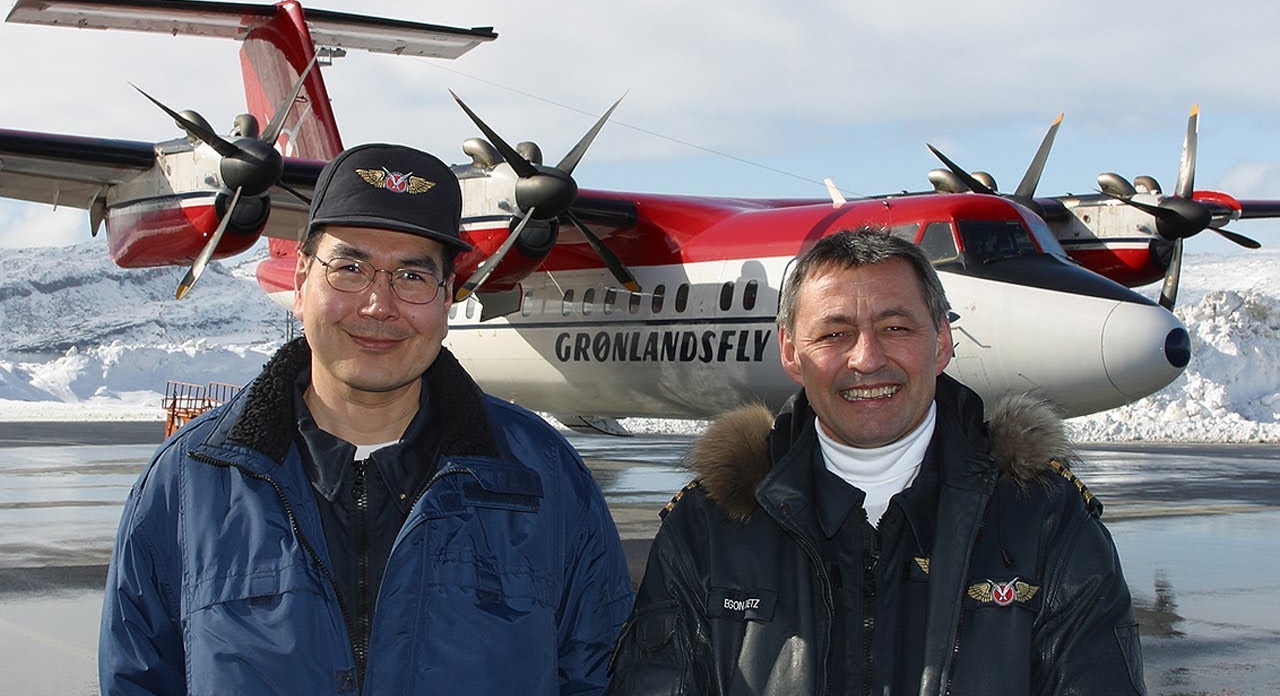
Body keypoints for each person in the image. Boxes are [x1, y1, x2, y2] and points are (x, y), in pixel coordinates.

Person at [99, 144, 634, 695]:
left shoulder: (546, 477)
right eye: (349, 269)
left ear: (448, 298)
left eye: (412, 276)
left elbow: (604, 677)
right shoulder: (185, 482)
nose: (379, 305)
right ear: (300, 281)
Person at [607, 227, 1146, 695]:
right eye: (834, 334)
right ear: (791, 353)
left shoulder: (1046, 520)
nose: (866, 358)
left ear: (942, 341)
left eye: (895, 328)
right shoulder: (706, 526)